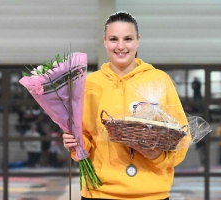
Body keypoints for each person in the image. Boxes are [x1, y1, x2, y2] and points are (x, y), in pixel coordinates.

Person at [63, 11, 190, 200]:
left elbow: (182, 137)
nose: (121, 46)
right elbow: (87, 139)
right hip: (99, 193)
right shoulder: (91, 83)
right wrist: (74, 144)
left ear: (138, 40)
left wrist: (157, 155)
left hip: (151, 194)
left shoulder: (159, 80)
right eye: (113, 39)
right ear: (104, 41)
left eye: (128, 39)